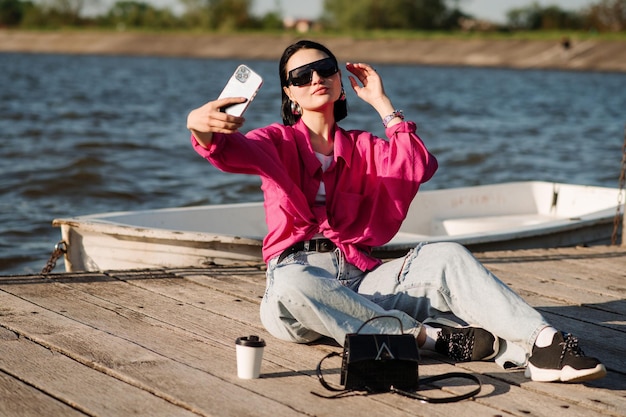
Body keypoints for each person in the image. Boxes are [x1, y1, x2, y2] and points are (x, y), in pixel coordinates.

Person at [186, 40, 606, 383]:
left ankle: (543, 344)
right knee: (293, 283)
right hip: (295, 288)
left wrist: (384, 105)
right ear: (290, 95)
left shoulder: (365, 146)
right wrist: (198, 121)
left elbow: (417, 165)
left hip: (362, 281)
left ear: (340, 82)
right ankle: (423, 337)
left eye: (326, 68)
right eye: (300, 76)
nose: (316, 77)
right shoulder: (275, 141)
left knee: (446, 255)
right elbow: (220, 149)